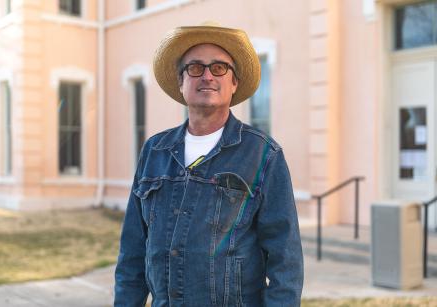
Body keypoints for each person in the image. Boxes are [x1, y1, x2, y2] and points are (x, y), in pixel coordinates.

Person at [114, 22, 303, 307]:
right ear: (181, 82)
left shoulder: (263, 154)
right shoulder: (155, 150)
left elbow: (285, 261)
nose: (207, 76)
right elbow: (132, 252)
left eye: (219, 68)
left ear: (234, 82)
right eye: (195, 68)